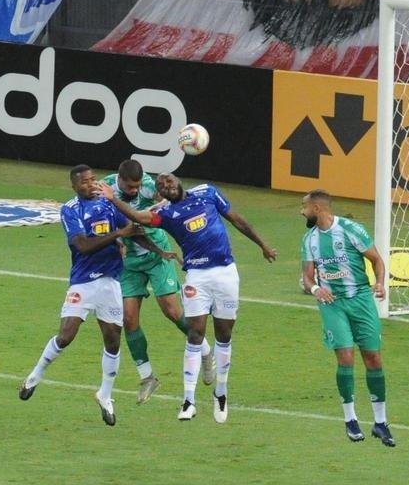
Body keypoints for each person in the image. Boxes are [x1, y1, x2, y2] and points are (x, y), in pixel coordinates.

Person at [100, 172, 277, 423]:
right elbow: (139, 217)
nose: (166, 185)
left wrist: (263, 245)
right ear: (160, 193)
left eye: (169, 180)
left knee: (224, 335)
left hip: (226, 272)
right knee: (195, 334)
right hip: (196, 277)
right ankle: (189, 401)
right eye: (161, 185)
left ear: (178, 180)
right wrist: (113, 199)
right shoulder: (166, 215)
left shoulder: (208, 192)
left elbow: (237, 220)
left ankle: (221, 393)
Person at [20, 165, 139, 426]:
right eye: (85, 182)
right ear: (74, 186)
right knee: (66, 335)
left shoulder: (106, 204)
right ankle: (35, 375)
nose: (91, 184)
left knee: (113, 340)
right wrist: (118, 235)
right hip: (83, 282)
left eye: (93, 179)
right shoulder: (70, 209)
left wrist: (157, 249)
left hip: (110, 281)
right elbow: (83, 246)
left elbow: (132, 227)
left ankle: (105, 394)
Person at [102, 159, 213, 404]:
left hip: (157, 254)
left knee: (172, 312)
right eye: (130, 187)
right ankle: (147, 377)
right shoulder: (106, 188)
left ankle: (205, 350)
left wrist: (163, 203)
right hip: (129, 261)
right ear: (119, 180)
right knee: (128, 319)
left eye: (137, 186)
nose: (134, 191)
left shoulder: (149, 187)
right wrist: (117, 242)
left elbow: (174, 198)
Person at [300, 189, 394, 446]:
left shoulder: (351, 229)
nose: (302, 211)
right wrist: (316, 288)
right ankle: (350, 420)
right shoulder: (309, 240)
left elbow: (376, 259)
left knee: (373, 357)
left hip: (361, 300)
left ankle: (380, 422)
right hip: (333, 304)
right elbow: (307, 277)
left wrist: (380, 283)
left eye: (304, 207)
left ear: (317, 208)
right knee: (346, 356)